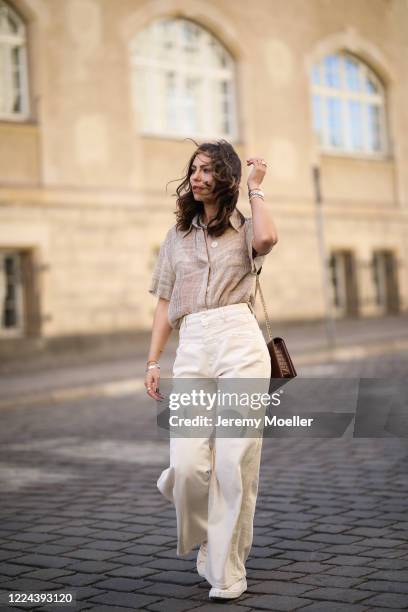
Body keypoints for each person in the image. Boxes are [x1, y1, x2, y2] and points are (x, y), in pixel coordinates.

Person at [145, 139, 278, 600]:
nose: (197, 177)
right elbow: (164, 301)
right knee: (187, 467)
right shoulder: (176, 235)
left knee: (231, 464)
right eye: (194, 170)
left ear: (226, 179)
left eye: (207, 171)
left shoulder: (244, 225)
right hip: (194, 344)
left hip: (239, 340)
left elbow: (267, 240)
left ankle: (226, 570)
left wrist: (256, 190)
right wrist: (153, 360)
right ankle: (194, 510)